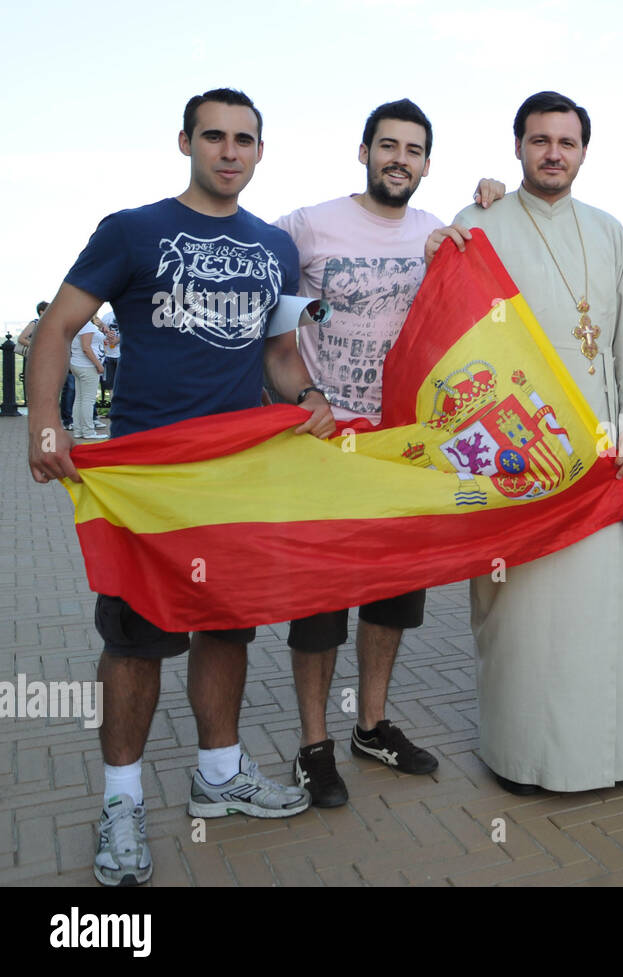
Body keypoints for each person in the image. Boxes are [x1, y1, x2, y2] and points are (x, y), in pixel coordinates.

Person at [26, 87, 334, 886]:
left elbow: (274, 355)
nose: (229, 151)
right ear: (186, 142)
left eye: (244, 139)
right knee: (134, 640)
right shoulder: (131, 230)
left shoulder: (275, 246)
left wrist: (306, 398)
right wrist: (45, 422)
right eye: (214, 137)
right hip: (146, 479)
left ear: (261, 151)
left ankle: (221, 771)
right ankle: (122, 801)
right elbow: (57, 326)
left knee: (226, 626)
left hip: (234, 478)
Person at [275, 98, 504, 807]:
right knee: (318, 603)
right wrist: (303, 395)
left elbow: (478, 282)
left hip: (402, 448)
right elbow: (273, 329)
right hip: (322, 447)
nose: (398, 158)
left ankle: (370, 725)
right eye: (387, 145)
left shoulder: (437, 230)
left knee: (393, 597)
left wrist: (492, 204)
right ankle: (314, 745)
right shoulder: (305, 227)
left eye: (412, 149)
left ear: (427, 163)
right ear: (364, 151)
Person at [425, 91, 623, 794]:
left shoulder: (610, 230)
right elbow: (451, 344)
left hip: (599, 459)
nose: (554, 152)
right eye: (540, 139)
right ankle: (521, 756)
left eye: (567, 141)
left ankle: (603, 758)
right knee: (519, 619)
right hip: (516, 460)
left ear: (585, 150)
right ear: (517, 145)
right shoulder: (479, 221)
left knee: (598, 614)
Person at [68, 315, 106, 439]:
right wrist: (98, 365)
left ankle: (78, 430)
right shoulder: (87, 326)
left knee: (79, 399)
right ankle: (88, 431)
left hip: (77, 364)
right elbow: (86, 348)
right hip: (87, 367)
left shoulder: (77, 324)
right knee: (88, 400)